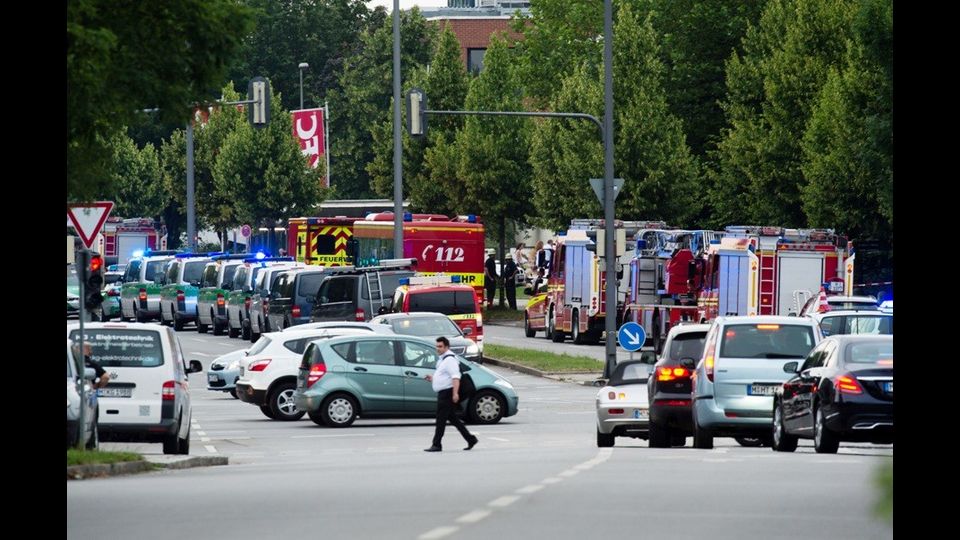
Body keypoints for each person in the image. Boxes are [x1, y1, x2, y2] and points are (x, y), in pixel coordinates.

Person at [423, 337, 478, 452]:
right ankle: (470, 439)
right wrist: (433, 378)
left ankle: (437, 444)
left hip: (447, 393)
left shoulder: (450, 360)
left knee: (440, 419)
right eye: (437, 346)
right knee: (453, 419)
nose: (438, 348)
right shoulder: (443, 359)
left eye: (440, 346)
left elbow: (455, 377)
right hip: (444, 393)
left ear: (447, 347)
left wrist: (455, 393)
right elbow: (445, 377)